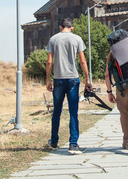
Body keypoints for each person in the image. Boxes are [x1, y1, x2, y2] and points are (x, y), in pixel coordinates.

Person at [46, 18, 92, 154]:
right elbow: (82, 61)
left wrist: (48, 80)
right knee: (73, 112)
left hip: (58, 79)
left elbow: (49, 61)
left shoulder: (53, 39)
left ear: (61, 27)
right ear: (72, 27)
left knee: (56, 112)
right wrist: (87, 79)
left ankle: (54, 141)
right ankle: (73, 144)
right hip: (73, 78)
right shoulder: (77, 39)